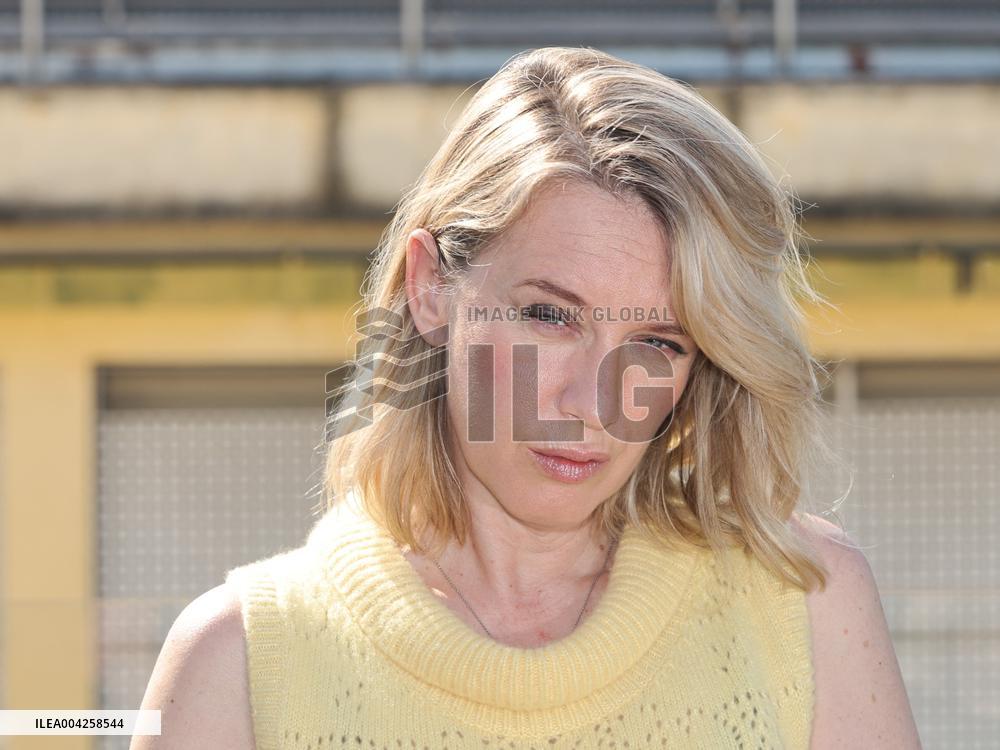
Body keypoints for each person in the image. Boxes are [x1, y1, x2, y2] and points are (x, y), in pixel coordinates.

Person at [130, 46, 923, 749]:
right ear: (430, 287)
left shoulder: (804, 604)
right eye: (550, 316)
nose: (593, 404)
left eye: (658, 342)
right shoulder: (240, 665)